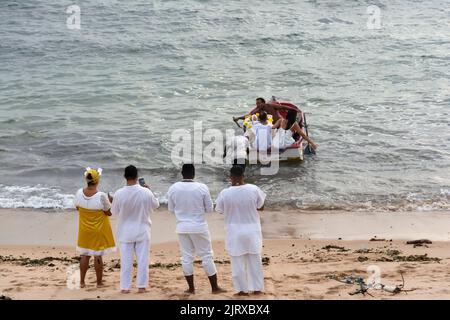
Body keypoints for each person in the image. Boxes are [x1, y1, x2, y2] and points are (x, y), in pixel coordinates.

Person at [167, 164, 226, 294]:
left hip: (182, 227)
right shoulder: (202, 187)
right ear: (194, 174)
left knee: (186, 257)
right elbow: (209, 209)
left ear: (182, 173)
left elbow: (171, 209)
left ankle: (191, 288)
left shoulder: (173, 188)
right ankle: (215, 288)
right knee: (206, 256)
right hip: (199, 226)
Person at [215, 166, 266, 296]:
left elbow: (219, 209)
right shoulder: (254, 189)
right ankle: (257, 288)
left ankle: (242, 290)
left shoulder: (225, 193)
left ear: (230, 177)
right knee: (255, 260)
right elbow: (261, 206)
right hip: (252, 230)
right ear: (244, 175)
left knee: (237, 262)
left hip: (234, 231)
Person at [111, 165, 159, 293]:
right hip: (142, 230)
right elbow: (155, 205)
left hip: (125, 232)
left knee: (126, 262)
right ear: (137, 176)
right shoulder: (145, 192)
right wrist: (150, 191)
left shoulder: (119, 193)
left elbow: (114, 211)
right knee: (143, 260)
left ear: (125, 177)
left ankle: (125, 288)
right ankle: (141, 286)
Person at [74, 167, 116, 288]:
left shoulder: (78, 193)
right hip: (98, 230)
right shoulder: (102, 196)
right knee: (98, 256)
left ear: (86, 180)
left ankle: (82, 282)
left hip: (84, 230)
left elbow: (78, 207)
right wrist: (111, 201)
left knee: (84, 255)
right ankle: (98, 283)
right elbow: (109, 213)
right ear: (97, 181)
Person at [233, 97, 302, 124]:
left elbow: (283, 107)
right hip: (272, 126)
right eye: (256, 103)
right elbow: (248, 116)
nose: (257, 105)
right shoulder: (258, 110)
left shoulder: (270, 105)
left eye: (259, 103)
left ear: (264, 102)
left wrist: (295, 109)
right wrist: (238, 118)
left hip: (281, 123)